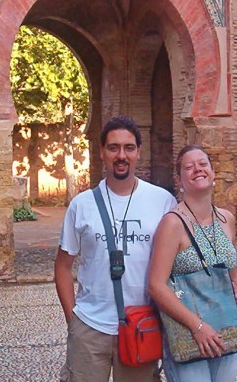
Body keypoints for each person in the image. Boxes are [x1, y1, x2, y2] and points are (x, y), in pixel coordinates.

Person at [54, 116, 177, 382]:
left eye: (129, 148)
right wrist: (73, 320)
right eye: (113, 148)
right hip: (90, 327)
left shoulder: (162, 201)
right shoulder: (81, 205)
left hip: (142, 325)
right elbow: (63, 266)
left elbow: (176, 263)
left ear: (138, 152)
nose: (121, 155)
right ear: (101, 152)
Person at [148, 144, 237, 382]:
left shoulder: (226, 219)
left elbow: (232, 279)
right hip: (189, 335)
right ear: (179, 179)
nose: (197, 169)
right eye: (189, 167)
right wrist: (198, 327)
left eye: (203, 164)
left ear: (213, 172)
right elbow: (156, 286)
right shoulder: (172, 224)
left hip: (224, 330)